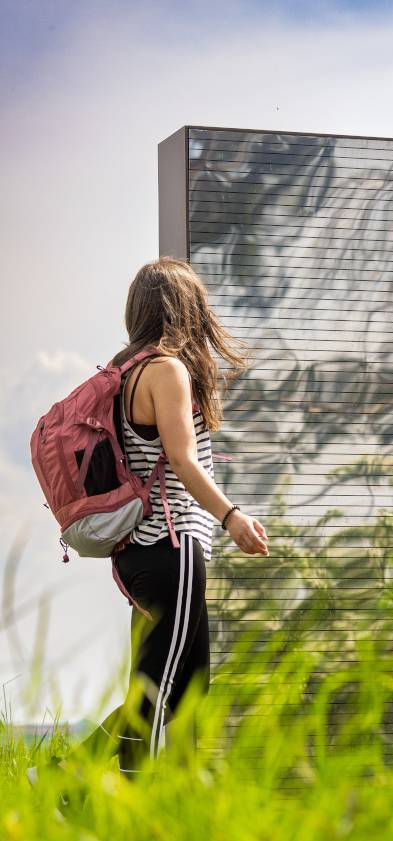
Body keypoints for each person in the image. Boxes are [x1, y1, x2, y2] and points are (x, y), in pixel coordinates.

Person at [74, 258, 270, 775]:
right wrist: (231, 518)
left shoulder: (123, 374)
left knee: (188, 686)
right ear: (187, 310)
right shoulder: (167, 370)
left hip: (140, 554)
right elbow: (182, 459)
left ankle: (174, 802)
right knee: (160, 690)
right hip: (173, 549)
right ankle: (88, 788)